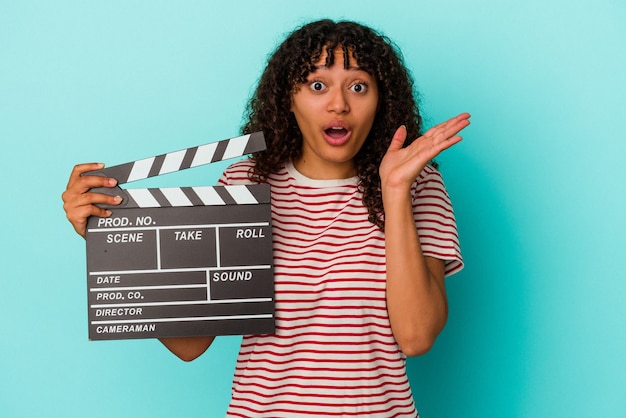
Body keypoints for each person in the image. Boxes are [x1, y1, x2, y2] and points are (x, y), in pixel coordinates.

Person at [63, 19, 470, 417]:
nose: (339, 103)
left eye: (359, 86)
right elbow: (190, 344)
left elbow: (416, 337)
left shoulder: (417, 184)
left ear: (381, 101)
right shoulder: (245, 182)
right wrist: (109, 237)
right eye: (317, 85)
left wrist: (394, 192)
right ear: (288, 98)